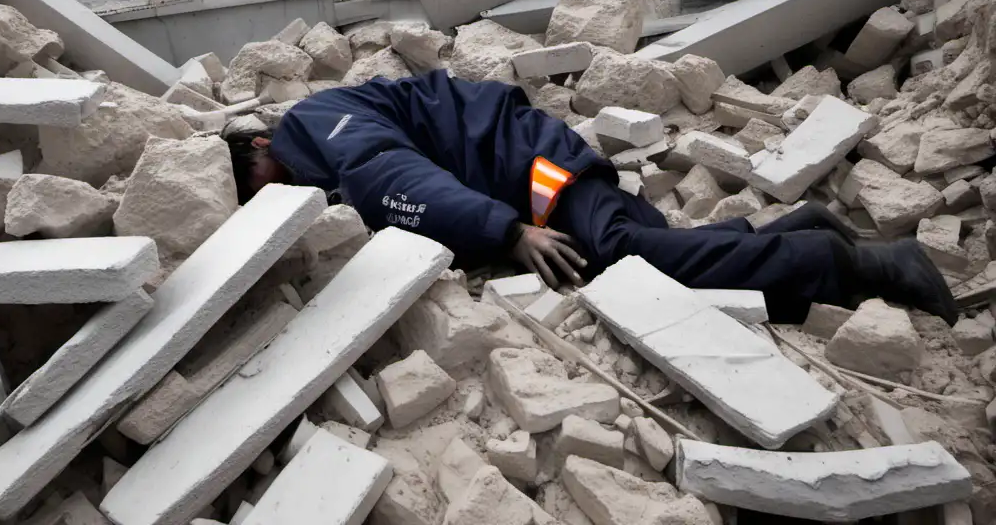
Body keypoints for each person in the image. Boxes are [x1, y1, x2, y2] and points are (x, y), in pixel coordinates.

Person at [228, 70, 957, 325]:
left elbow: (393, 176)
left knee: (616, 255)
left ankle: (863, 265)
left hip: (531, 168)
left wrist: (509, 231)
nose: (258, 201)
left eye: (248, 185)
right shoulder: (313, 162)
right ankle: (805, 227)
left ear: (259, 147)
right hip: (520, 167)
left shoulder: (312, 127)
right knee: (649, 262)